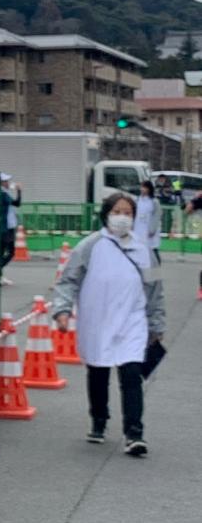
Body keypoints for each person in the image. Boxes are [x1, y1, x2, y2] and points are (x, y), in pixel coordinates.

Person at [51, 191, 164, 458]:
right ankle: (99, 420)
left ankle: (134, 434)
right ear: (105, 215)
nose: (122, 218)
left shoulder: (145, 250)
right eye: (117, 212)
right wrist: (63, 310)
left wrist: (156, 324)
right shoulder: (89, 246)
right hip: (97, 320)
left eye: (128, 213)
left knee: (131, 374)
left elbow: (156, 289)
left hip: (132, 321)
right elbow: (68, 280)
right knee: (99, 371)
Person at [0, 173, 21, 282]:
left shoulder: (4, 193)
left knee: (3, 251)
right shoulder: (2, 194)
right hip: (5, 227)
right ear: (1, 183)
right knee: (10, 251)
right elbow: (17, 203)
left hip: (7, 226)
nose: (8, 183)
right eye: (6, 181)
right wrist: (19, 191)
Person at [133, 179, 161, 256]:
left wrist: (152, 229)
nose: (142, 189)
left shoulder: (154, 202)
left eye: (144, 187)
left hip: (148, 227)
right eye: (142, 187)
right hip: (138, 226)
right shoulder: (137, 200)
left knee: (150, 246)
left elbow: (156, 216)